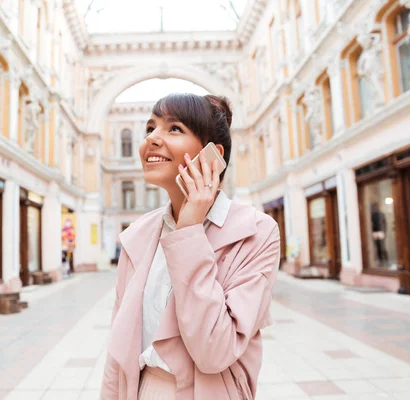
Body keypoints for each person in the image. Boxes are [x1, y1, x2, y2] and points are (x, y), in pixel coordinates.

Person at [101, 93, 281, 399]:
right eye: (150, 128)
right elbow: (117, 355)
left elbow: (214, 351)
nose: (151, 140)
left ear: (214, 155)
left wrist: (189, 231)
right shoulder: (138, 236)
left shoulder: (257, 232)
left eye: (174, 129)